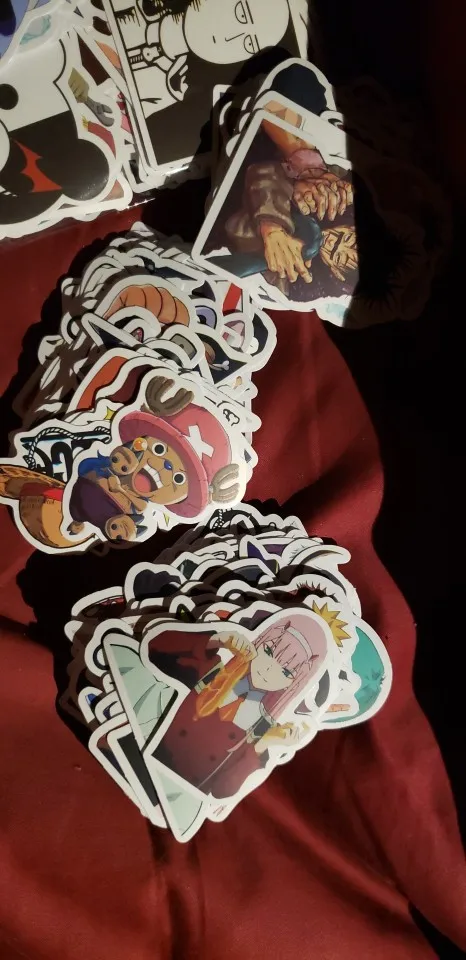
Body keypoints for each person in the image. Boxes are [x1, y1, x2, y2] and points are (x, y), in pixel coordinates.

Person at [144, 613, 329, 801]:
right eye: (268, 651)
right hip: (140, 758)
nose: (268, 669)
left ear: (295, 684)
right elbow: (152, 645)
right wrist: (216, 641)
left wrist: (263, 744)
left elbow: (222, 791)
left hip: (175, 798)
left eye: (286, 672)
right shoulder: (211, 672)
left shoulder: (263, 728)